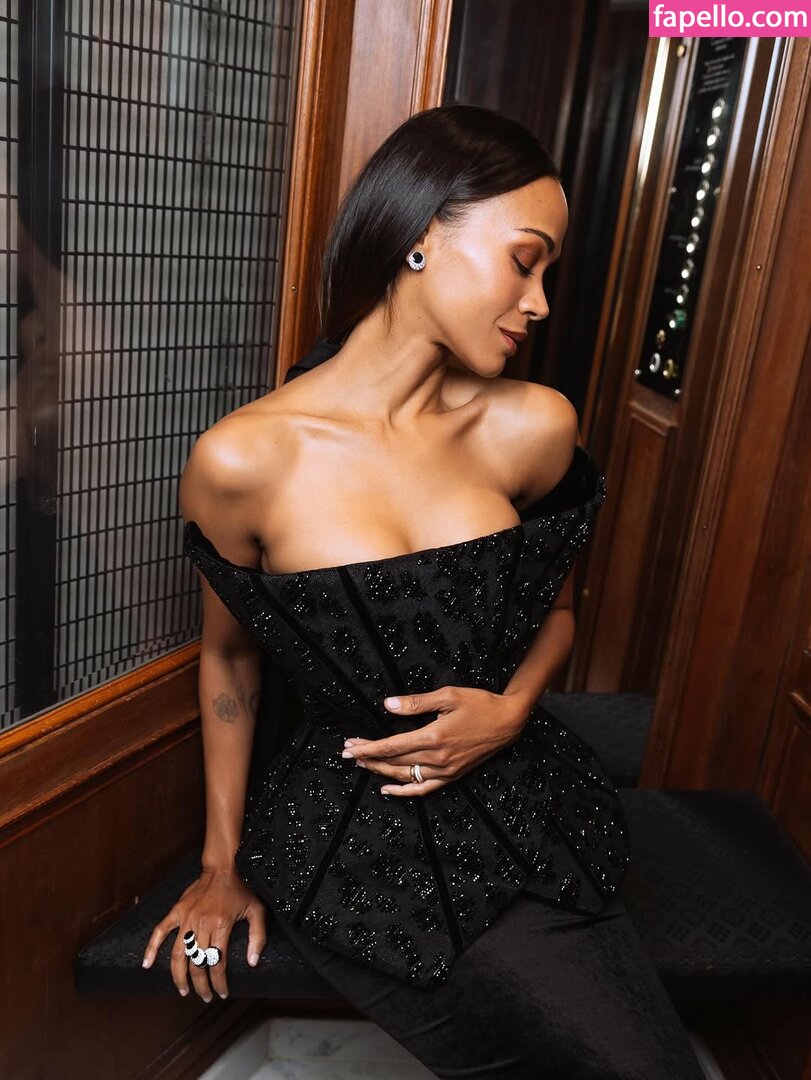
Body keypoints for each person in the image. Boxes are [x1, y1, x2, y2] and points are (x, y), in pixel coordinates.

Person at [142, 105, 706, 1078]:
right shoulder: (243, 460)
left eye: (547, 274)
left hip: (524, 794)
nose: (537, 302)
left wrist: (510, 710)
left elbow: (559, 610)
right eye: (523, 261)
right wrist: (220, 864)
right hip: (347, 834)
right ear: (418, 236)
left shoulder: (534, 428)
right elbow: (230, 661)